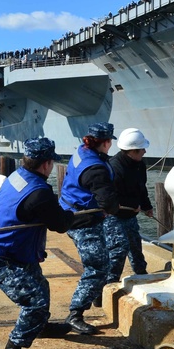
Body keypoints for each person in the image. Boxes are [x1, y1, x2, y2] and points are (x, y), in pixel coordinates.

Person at [0, 138, 75, 349]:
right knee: (34, 302)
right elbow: (60, 224)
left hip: (12, 251)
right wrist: (71, 214)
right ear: (46, 164)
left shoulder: (17, 176)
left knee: (41, 285)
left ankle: (39, 326)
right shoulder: (39, 193)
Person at [58, 122, 119, 334]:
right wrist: (111, 208)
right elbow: (109, 203)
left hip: (70, 212)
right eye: (110, 142)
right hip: (84, 222)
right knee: (98, 268)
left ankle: (93, 296)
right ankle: (75, 314)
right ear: (105, 142)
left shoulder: (82, 152)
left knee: (98, 264)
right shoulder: (96, 169)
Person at [105, 128, 153, 283]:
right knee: (118, 249)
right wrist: (133, 204)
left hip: (131, 214)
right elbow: (111, 197)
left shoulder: (140, 165)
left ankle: (141, 273)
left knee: (135, 246)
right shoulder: (114, 168)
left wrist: (147, 206)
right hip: (114, 216)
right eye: (142, 149)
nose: (145, 151)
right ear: (132, 151)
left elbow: (141, 187)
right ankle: (110, 283)